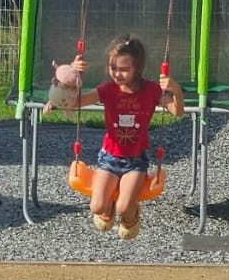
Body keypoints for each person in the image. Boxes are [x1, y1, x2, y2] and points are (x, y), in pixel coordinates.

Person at [71, 34, 184, 241]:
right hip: (109, 158)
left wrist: (175, 90)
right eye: (113, 68)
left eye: (124, 69)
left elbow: (177, 111)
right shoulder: (108, 89)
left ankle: (131, 216)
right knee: (96, 206)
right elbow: (75, 102)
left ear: (137, 68)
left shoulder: (151, 90)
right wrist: (71, 76)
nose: (117, 74)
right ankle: (108, 207)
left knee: (124, 207)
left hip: (135, 161)